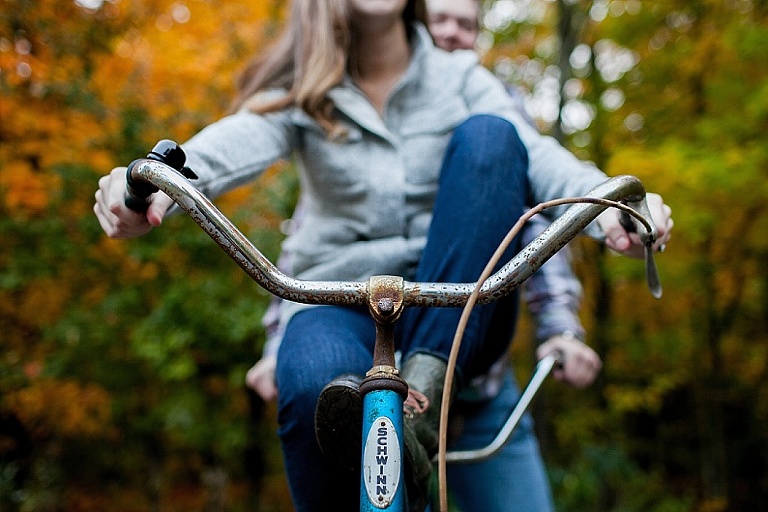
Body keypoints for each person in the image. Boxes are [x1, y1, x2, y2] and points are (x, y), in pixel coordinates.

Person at [94, 1, 673, 511]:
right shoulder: (304, 89)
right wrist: (150, 182)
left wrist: (608, 203)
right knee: (311, 385)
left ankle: (420, 405)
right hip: (339, 300)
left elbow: (536, 154)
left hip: (452, 304)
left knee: (492, 136)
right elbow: (226, 147)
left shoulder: (458, 74)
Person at [246, 0, 601, 510]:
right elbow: (315, 242)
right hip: (376, 345)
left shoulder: (479, 95)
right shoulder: (358, 114)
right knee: (321, 383)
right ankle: (404, 419)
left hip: (474, 377)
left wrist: (561, 328)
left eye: (468, 25)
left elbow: (537, 215)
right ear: (417, 26)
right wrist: (277, 347)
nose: (454, 33)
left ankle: (428, 396)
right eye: (442, 22)